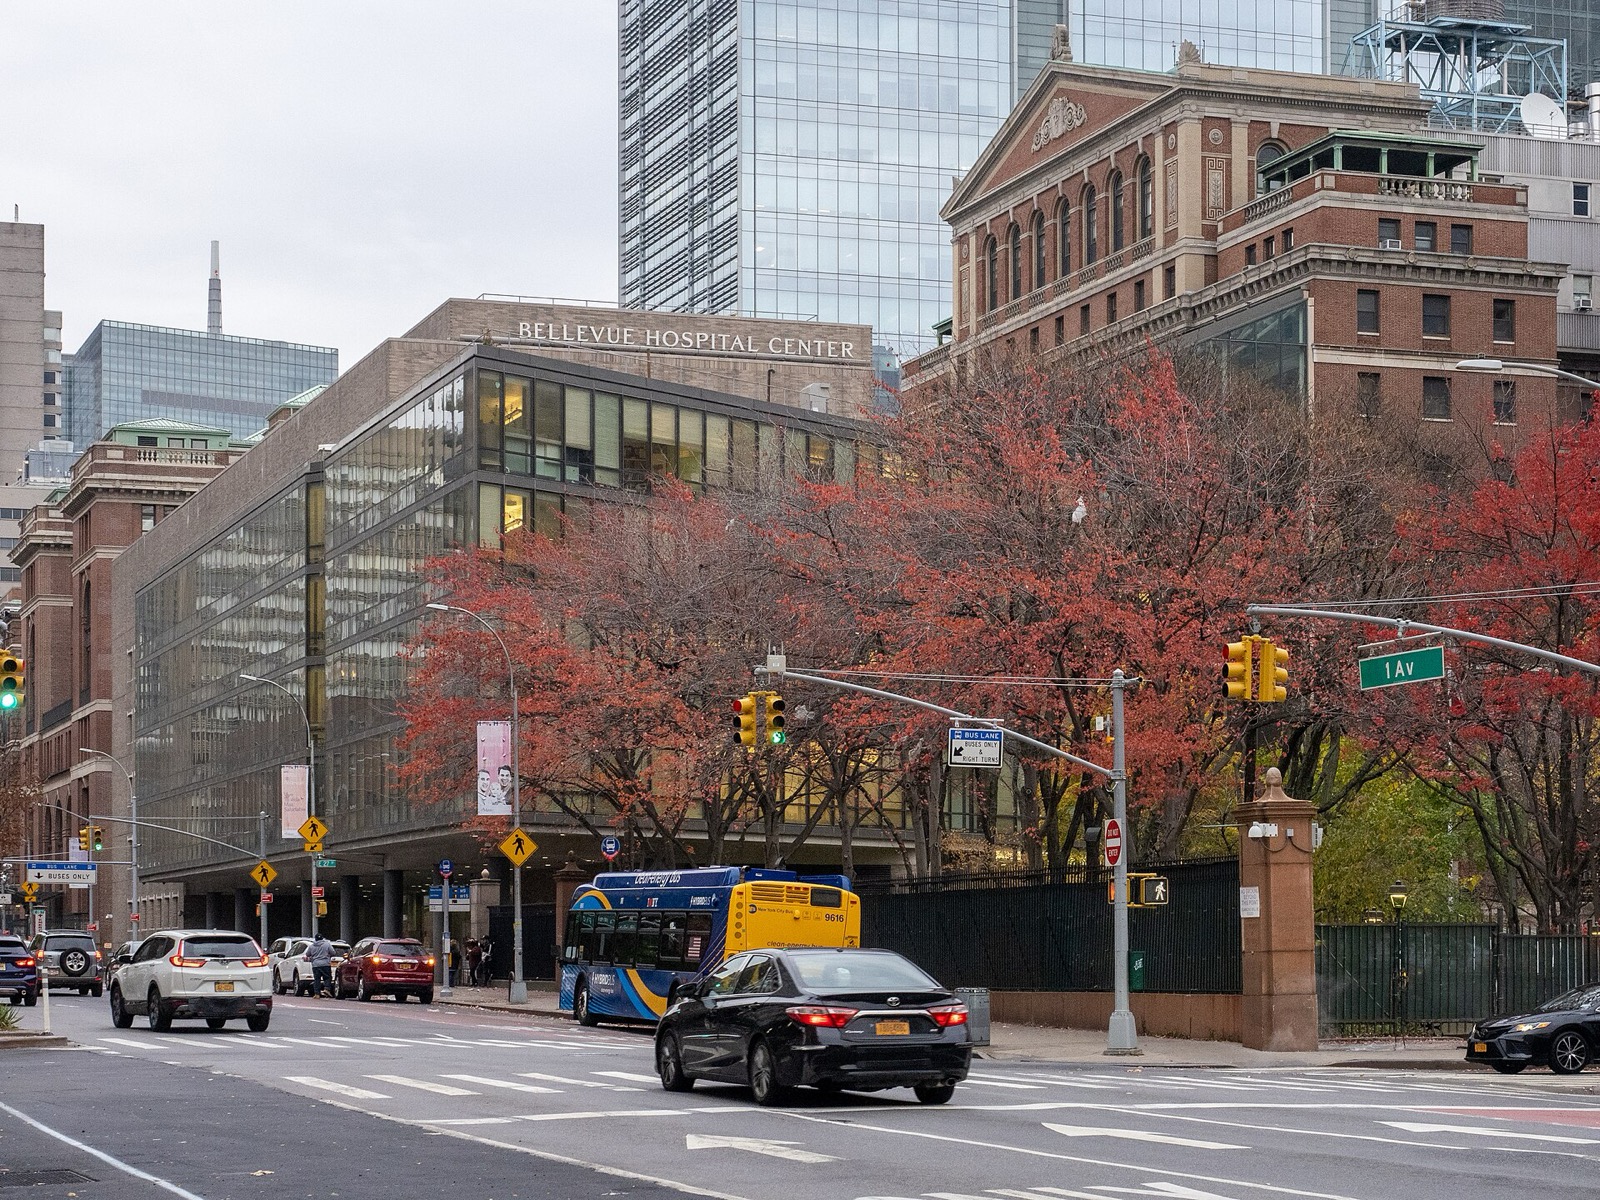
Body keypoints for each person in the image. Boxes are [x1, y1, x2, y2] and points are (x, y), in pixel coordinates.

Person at [306, 932, 334, 998]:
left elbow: (307, 954)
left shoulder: (311, 946)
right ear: (322, 938)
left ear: (315, 939)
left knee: (317, 979)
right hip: (325, 964)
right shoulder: (327, 944)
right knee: (327, 977)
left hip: (315, 965)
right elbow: (333, 952)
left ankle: (317, 994)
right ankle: (327, 989)